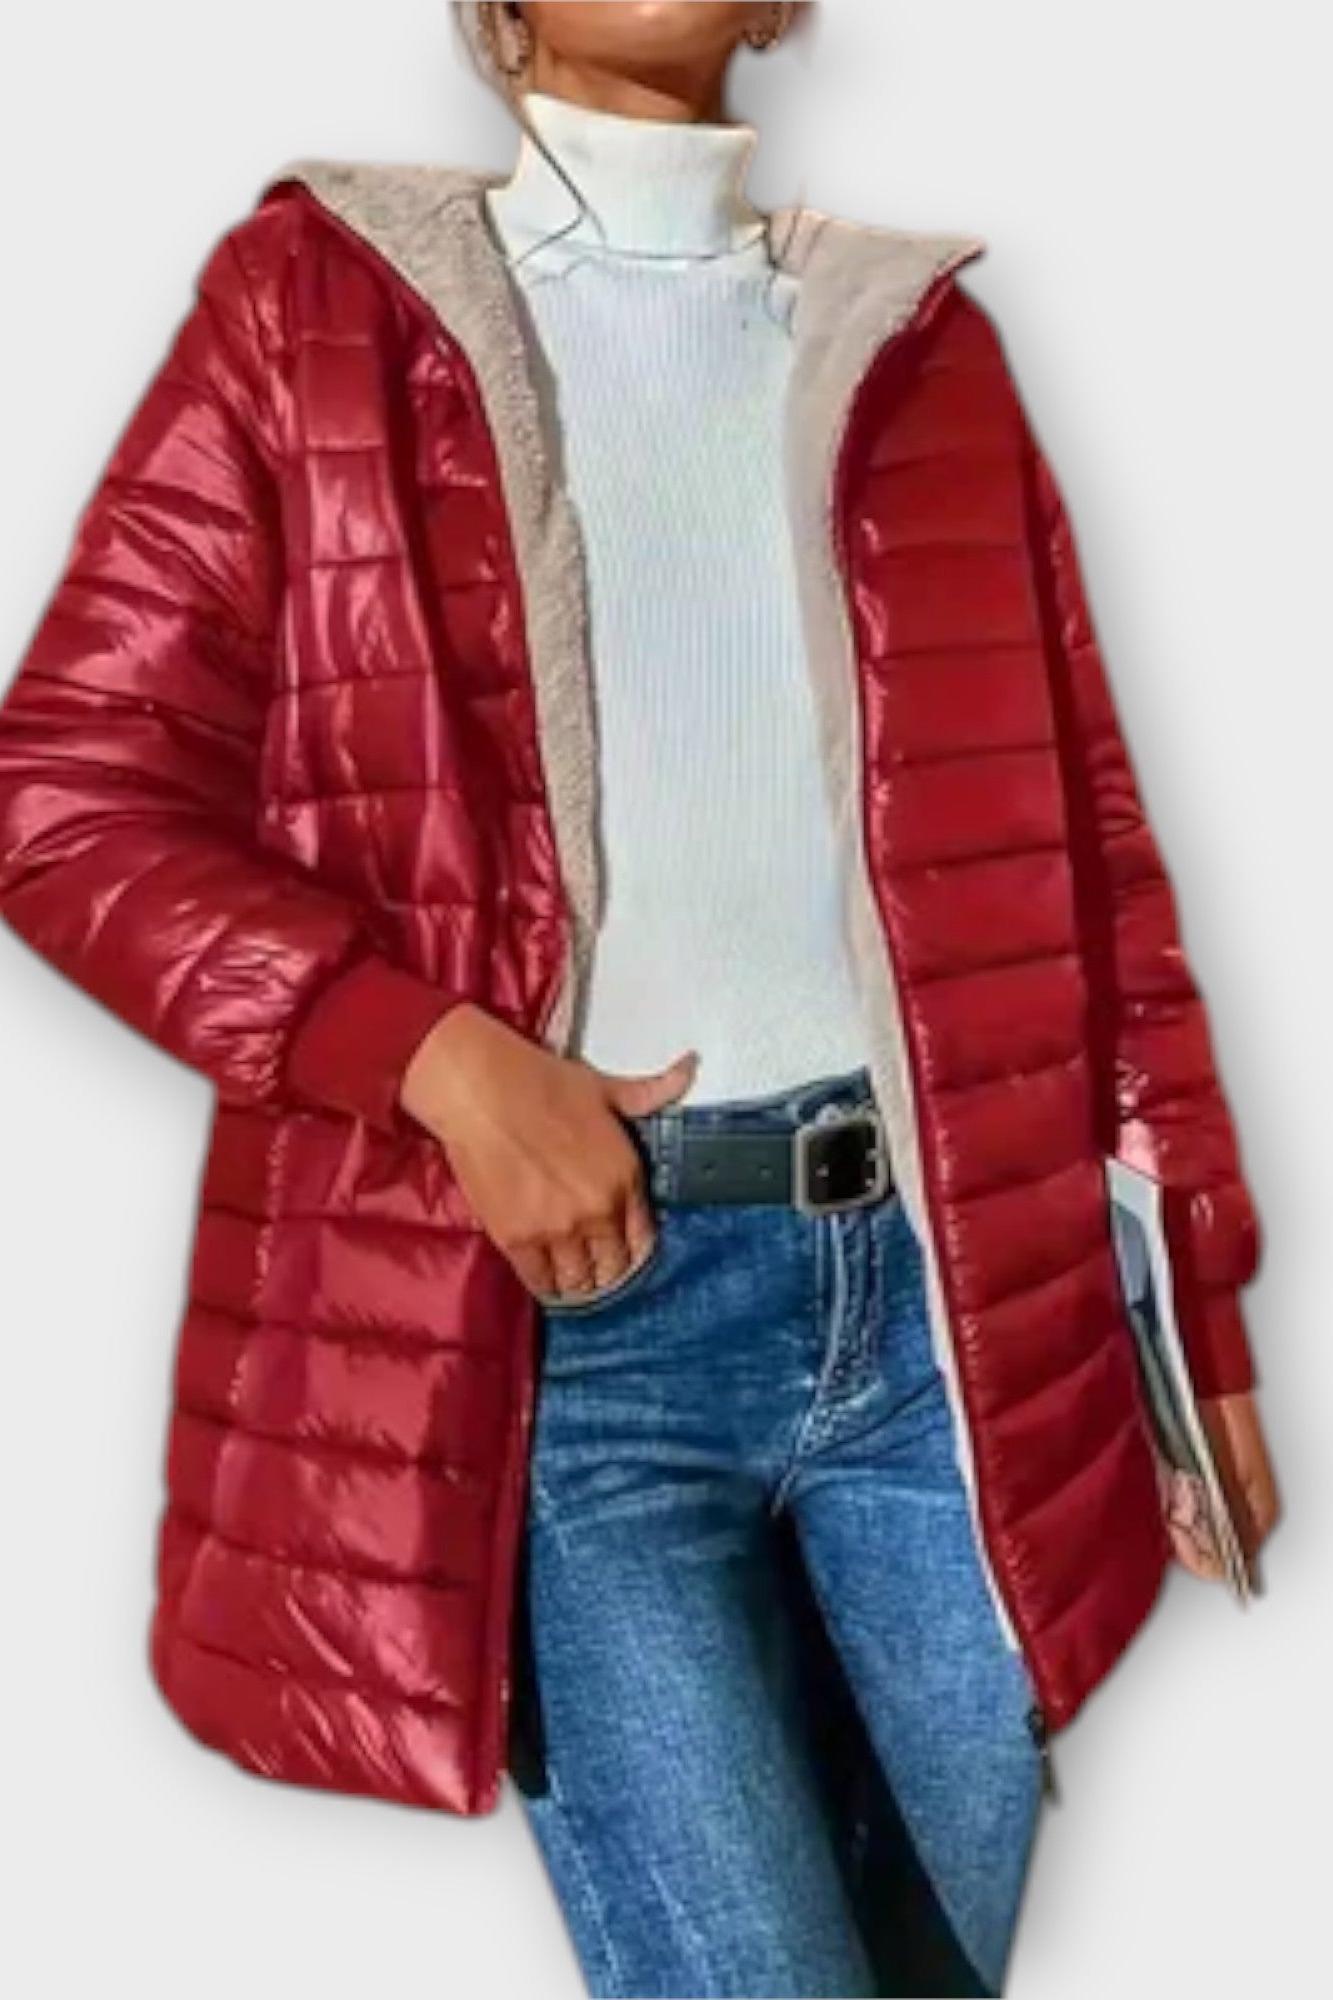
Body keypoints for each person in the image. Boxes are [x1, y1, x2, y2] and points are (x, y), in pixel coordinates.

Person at [0, 4, 1280, 1996]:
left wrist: (1184, 1302)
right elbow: (68, 798)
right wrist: (431, 1056)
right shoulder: (316, 310)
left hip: (946, 1311)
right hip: (573, 1331)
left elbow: (1085, 856)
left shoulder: (911, 339)